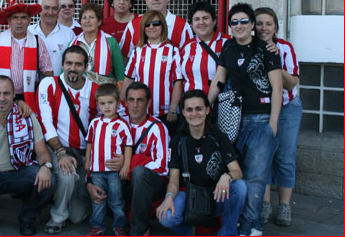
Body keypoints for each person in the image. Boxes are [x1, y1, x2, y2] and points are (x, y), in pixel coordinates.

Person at [207, 3, 283, 236]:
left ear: (252, 25)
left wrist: (273, 124)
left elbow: (277, 88)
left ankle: (253, 225)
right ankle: (239, 220)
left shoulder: (267, 49)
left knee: (257, 176)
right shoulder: (227, 47)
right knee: (234, 169)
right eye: (234, 22)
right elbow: (219, 80)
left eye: (244, 21)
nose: (239, 26)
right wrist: (204, 105)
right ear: (230, 26)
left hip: (260, 120)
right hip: (232, 120)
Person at [0, 76, 55, 236]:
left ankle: (27, 219)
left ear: (14, 93)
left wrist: (46, 167)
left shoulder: (27, 118)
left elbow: (42, 152)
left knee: (50, 179)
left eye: (6, 93)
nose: (2, 98)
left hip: (20, 171)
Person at [156, 90, 247, 236]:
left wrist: (227, 177)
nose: (194, 114)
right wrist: (168, 198)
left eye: (198, 108)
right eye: (189, 110)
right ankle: (186, 233)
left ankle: (227, 232)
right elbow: (173, 181)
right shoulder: (177, 141)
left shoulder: (219, 137)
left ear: (207, 110)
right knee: (166, 217)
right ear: (184, 113)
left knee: (240, 187)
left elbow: (237, 172)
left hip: (215, 195)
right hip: (188, 195)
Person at [37, 45, 99, 234]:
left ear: (86, 66)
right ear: (62, 64)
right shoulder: (49, 84)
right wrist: (60, 153)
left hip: (84, 152)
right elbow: (46, 122)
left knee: (78, 217)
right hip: (59, 148)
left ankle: (74, 200)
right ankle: (57, 216)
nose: (73, 68)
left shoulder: (96, 90)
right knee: (66, 175)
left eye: (78, 64)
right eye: (69, 63)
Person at [255, 7, 301, 227]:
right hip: (261, 108)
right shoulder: (250, 47)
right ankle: (265, 203)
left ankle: (284, 205)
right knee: (263, 157)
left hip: (287, 108)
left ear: (275, 27)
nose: (264, 28)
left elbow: (291, 83)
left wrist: (274, 58)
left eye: (268, 24)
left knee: (284, 157)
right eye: (259, 23)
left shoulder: (284, 47)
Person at [0, 2, 53, 113]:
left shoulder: (37, 42)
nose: (19, 22)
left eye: (23, 18)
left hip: (27, 96)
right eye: (15, 18)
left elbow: (48, 71)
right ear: (9, 21)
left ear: (29, 20)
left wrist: (42, 92)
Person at [121, 10, 183, 135]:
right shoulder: (137, 51)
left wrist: (172, 110)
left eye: (156, 23)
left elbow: (178, 83)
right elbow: (128, 79)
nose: (151, 27)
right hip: (140, 113)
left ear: (163, 26)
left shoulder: (173, 51)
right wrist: (122, 107)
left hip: (165, 114)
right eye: (147, 24)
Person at [122, 82, 170, 236]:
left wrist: (129, 165)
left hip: (150, 184)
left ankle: (139, 231)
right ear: (126, 102)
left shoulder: (158, 127)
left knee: (139, 173)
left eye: (140, 100)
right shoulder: (118, 123)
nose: (135, 105)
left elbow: (163, 166)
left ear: (148, 103)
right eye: (131, 100)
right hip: (122, 181)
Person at [85, 84, 132, 236]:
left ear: (118, 103)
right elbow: (90, 143)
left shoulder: (122, 125)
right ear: (97, 104)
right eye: (102, 103)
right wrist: (87, 161)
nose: (107, 107)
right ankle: (97, 225)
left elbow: (128, 146)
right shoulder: (94, 123)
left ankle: (119, 225)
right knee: (98, 200)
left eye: (110, 103)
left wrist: (125, 166)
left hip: (114, 172)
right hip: (97, 170)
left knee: (116, 200)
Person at [120, 0, 193, 58]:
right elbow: (124, 56)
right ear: (146, 0)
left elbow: (189, 56)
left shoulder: (182, 25)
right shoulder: (133, 25)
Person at [181, 0, 231, 95]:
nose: (201, 22)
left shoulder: (228, 42)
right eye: (196, 19)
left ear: (214, 21)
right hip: (192, 107)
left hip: (220, 106)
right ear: (191, 24)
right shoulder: (186, 46)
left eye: (205, 18)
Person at [70, 2, 125, 87]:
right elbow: (65, 71)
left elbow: (120, 72)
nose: (87, 21)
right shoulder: (73, 43)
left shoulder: (111, 42)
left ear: (99, 22)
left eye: (91, 17)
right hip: (78, 90)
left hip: (104, 92)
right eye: (84, 18)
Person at [29, 0, 75, 77]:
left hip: (59, 87)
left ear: (59, 10)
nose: (50, 12)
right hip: (31, 87)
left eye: (54, 8)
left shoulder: (69, 34)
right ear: (39, 9)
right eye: (46, 8)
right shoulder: (28, 32)